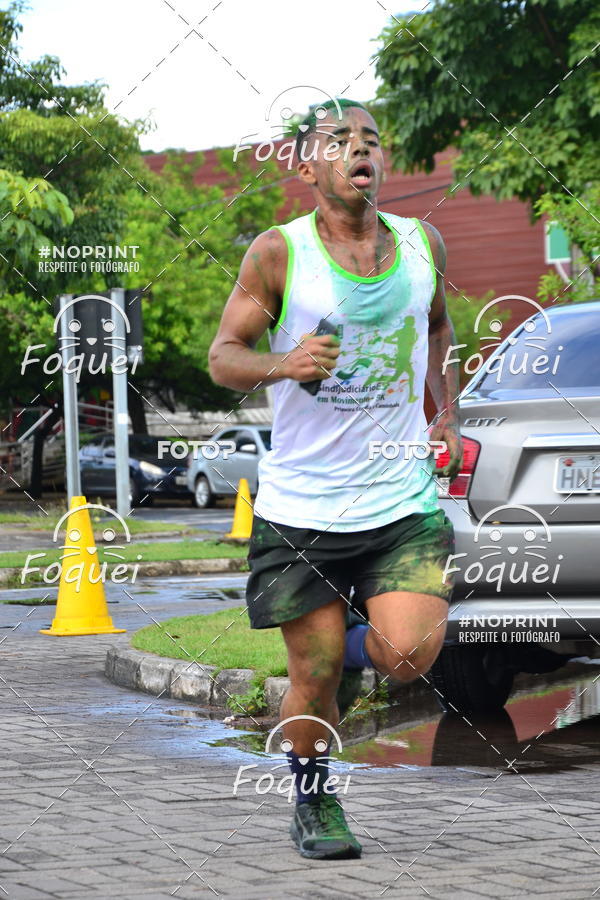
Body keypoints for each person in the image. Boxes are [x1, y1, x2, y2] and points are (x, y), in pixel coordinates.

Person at [209, 98, 463, 860]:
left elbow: (439, 326)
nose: (361, 150)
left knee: (410, 654)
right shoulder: (277, 253)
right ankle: (314, 797)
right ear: (307, 166)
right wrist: (282, 362)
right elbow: (223, 357)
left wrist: (446, 412)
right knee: (310, 675)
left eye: (372, 140)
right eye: (340, 140)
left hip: (399, 498)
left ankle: (358, 645)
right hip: (303, 507)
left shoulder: (422, 244)